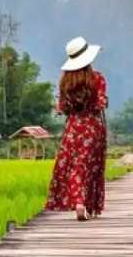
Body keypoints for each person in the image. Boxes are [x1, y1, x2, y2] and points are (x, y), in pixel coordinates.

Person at [45, 36, 108, 221]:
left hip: (73, 128)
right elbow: (100, 103)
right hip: (93, 128)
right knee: (91, 166)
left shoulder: (65, 82)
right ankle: (85, 203)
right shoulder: (97, 78)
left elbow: (63, 108)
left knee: (75, 166)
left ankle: (78, 202)